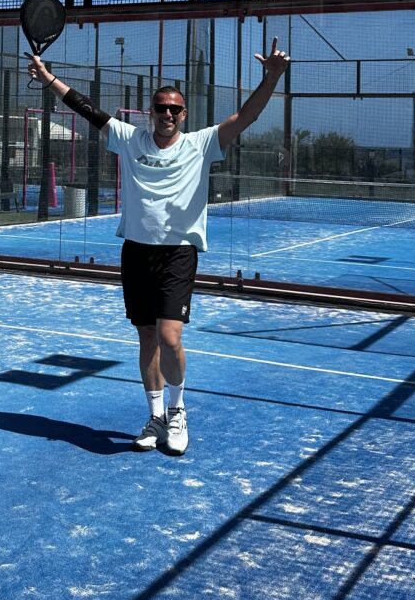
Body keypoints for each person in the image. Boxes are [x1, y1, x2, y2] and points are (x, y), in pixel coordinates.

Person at [25, 42, 289, 454]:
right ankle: (155, 417)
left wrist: (271, 77)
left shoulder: (202, 144)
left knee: (169, 337)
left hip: (177, 253)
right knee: (147, 337)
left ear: (184, 115)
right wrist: (48, 79)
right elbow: (87, 108)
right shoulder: (129, 139)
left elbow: (246, 116)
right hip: (136, 252)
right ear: (151, 111)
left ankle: (178, 410)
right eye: (161, 108)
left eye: (175, 109)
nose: (167, 114)